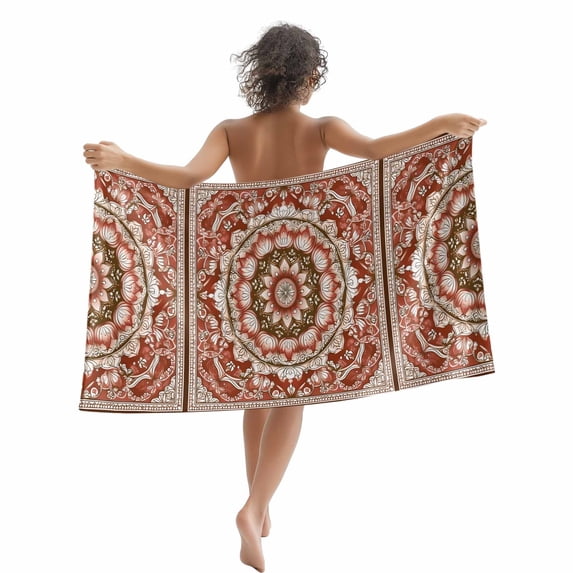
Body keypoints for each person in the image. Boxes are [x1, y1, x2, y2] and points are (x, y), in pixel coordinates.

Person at [83, 23, 486, 572]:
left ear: (262, 75)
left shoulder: (231, 130)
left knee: (258, 388)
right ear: (309, 76)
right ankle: (252, 508)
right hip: (307, 277)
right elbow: (375, 152)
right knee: (293, 394)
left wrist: (126, 161)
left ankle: (261, 503)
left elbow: (187, 179)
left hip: (247, 278)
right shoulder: (321, 128)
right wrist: (439, 124)